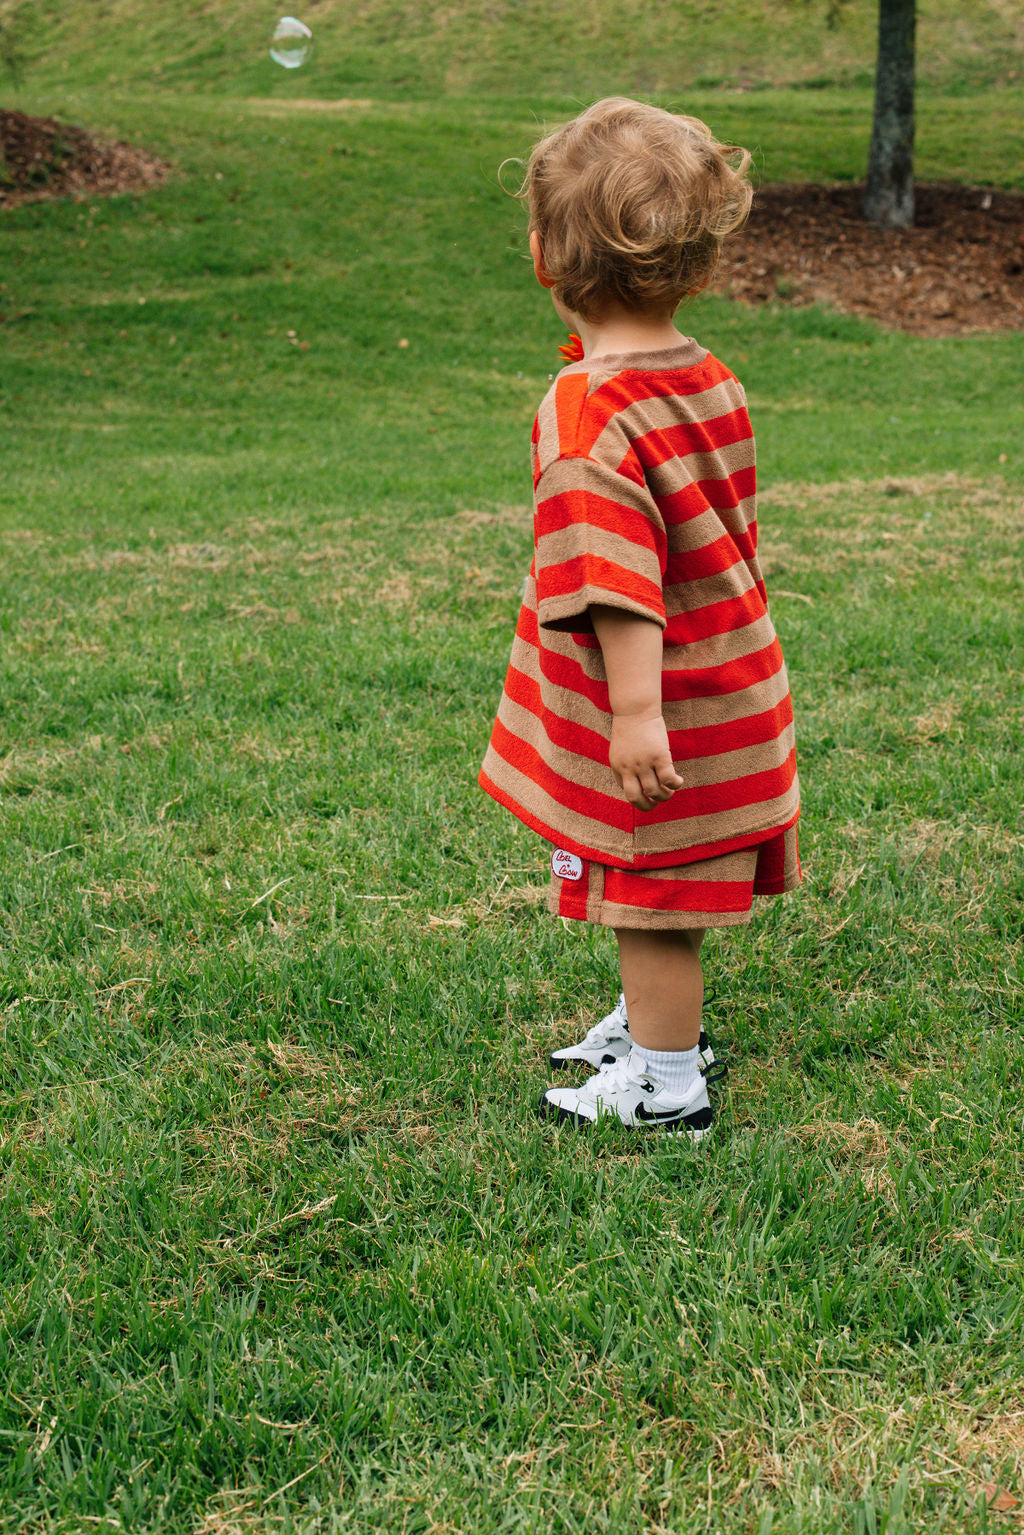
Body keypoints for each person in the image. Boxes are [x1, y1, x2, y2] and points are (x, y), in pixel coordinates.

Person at [479, 98, 801, 1139]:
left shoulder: (586, 414)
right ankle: (656, 1026)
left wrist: (633, 713)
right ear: (699, 264)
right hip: (733, 683)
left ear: (541, 257)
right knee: (648, 895)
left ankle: (667, 1082)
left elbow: (616, 579)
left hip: (668, 709)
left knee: (648, 899)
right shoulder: (706, 376)